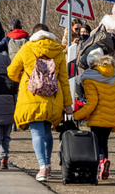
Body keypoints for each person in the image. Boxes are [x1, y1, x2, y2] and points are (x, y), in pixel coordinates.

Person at [7, 24, 73, 182]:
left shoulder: (26, 48)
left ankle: (42, 167)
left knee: (36, 133)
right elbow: (64, 80)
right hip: (53, 98)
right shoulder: (57, 51)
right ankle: (48, 165)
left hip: (32, 97)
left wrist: (24, 78)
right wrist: (68, 104)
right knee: (47, 132)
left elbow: (11, 72)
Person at [73, 54, 115, 181]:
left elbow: (91, 104)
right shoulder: (114, 79)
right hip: (111, 119)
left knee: (96, 144)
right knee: (103, 143)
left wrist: (76, 115)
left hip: (97, 119)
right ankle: (102, 168)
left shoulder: (89, 79)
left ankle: (101, 161)